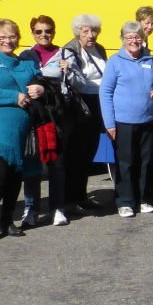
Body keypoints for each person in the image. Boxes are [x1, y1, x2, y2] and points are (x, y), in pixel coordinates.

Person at [0, 19, 44, 244]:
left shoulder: (26, 64)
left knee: (15, 176)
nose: (7, 41)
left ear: (18, 38)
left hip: (20, 128)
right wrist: (14, 97)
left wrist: (40, 89)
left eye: (11, 36)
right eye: (2, 37)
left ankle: (6, 220)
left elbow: (40, 83)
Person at [101, 20, 153, 218]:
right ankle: (124, 201)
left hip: (147, 120)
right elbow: (105, 93)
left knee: (144, 162)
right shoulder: (115, 62)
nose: (134, 41)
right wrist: (109, 124)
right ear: (122, 39)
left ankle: (142, 199)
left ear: (142, 39)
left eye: (137, 37)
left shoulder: (150, 60)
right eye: (129, 37)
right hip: (123, 122)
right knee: (125, 163)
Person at [18, 14, 68, 228]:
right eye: (38, 31)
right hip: (33, 119)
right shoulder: (25, 55)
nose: (44, 34)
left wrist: (66, 73)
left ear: (54, 32)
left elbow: (68, 88)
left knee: (57, 164)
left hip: (56, 118)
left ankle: (57, 208)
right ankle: (31, 209)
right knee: (32, 165)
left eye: (48, 31)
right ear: (32, 33)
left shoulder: (64, 54)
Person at [60, 14, 109, 214]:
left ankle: (81, 196)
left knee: (89, 151)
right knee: (75, 153)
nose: (91, 35)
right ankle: (69, 200)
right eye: (86, 31)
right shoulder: (70, 49)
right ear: (78, 32)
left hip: (98, 103)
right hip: (80, 106)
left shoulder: (100, 49)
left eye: (94, 30)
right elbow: (73, 81)